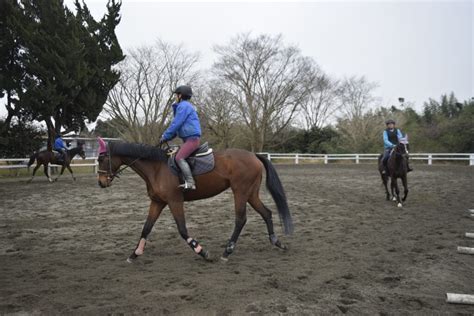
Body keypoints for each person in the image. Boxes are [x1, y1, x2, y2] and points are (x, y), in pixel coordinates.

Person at [159, 85, 201, 190]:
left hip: (192, 139)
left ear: (180, 95)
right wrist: (169, 136)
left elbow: (176, 123)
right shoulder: (184, 106)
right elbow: (178, 127)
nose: (175, 97)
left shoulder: (184, 106)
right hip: (188, 139)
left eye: (176, 95)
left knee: (179, 158)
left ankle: (190, 182)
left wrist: (165, 136)